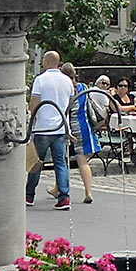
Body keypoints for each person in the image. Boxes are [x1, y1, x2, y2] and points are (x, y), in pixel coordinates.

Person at [25, 51, 74, 209]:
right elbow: (70, 104)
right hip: (60, 127)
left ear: (45, 63)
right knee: (60, 163)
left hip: (43, 127)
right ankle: (64, 197)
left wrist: (32, 115)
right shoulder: (67, 81)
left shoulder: (40, 80)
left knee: (36, 162)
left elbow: (35, 103)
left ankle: (29, 195)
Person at [50, 62, 95, 205]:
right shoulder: (83, 87)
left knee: (61, 160)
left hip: (66, 125)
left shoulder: (63, 87)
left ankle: (59, 188)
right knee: (83, 161)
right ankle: (88, 192)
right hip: (83, 125)